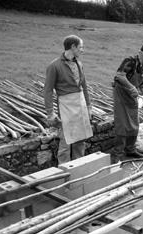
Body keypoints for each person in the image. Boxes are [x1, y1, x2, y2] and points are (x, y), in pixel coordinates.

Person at [44, 35, 93, 164]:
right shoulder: (54, 66)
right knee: (66, 142)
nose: (83, 50)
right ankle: (64, 173)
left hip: (80, 105)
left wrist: (89, 106)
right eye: (81, 47)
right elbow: (48, 90)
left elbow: (84, 86)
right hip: (66, 107)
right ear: (73, 47)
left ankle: (79, 167)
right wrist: (50, 112)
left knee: (80, 140)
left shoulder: (79, 64)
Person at [111, 45, 143, 163]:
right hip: (121, 95)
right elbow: (119, 75)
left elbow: (142, 85)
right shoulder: (130, 61)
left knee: (134, 123)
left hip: (132, 96)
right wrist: (131, 87)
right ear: (141, 54)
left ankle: (130, 149)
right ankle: (117, 153)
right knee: (122, 124)